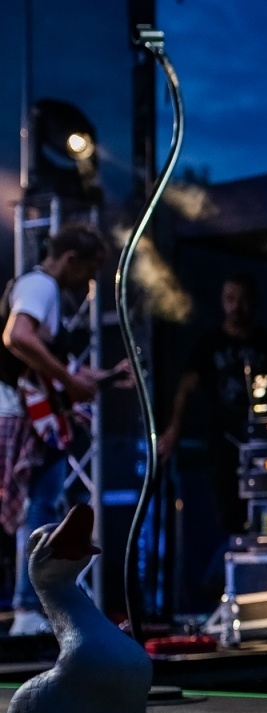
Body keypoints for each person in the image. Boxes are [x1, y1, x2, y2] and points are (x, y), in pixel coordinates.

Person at [0, 226, 118, 636]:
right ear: (70, 259)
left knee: (39, 506)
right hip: (21, 415)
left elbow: (55, 364)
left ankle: (29, 606)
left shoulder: (41, 292)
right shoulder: (40, 287)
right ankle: (29, 607)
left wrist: (103, 377)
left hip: (30, 415)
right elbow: (17, 337)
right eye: (88, 270)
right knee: (38, 507)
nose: (88, 283)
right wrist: (70, 384)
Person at [157, 274, 267, 536]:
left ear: (255, 302)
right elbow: (186, 388)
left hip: (265, 438)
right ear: (222, 302)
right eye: (230, 299)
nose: (236, 306)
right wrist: (174, 429)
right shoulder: (209, 344)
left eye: (242, 300)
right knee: (228, 505)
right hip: (223, 438)